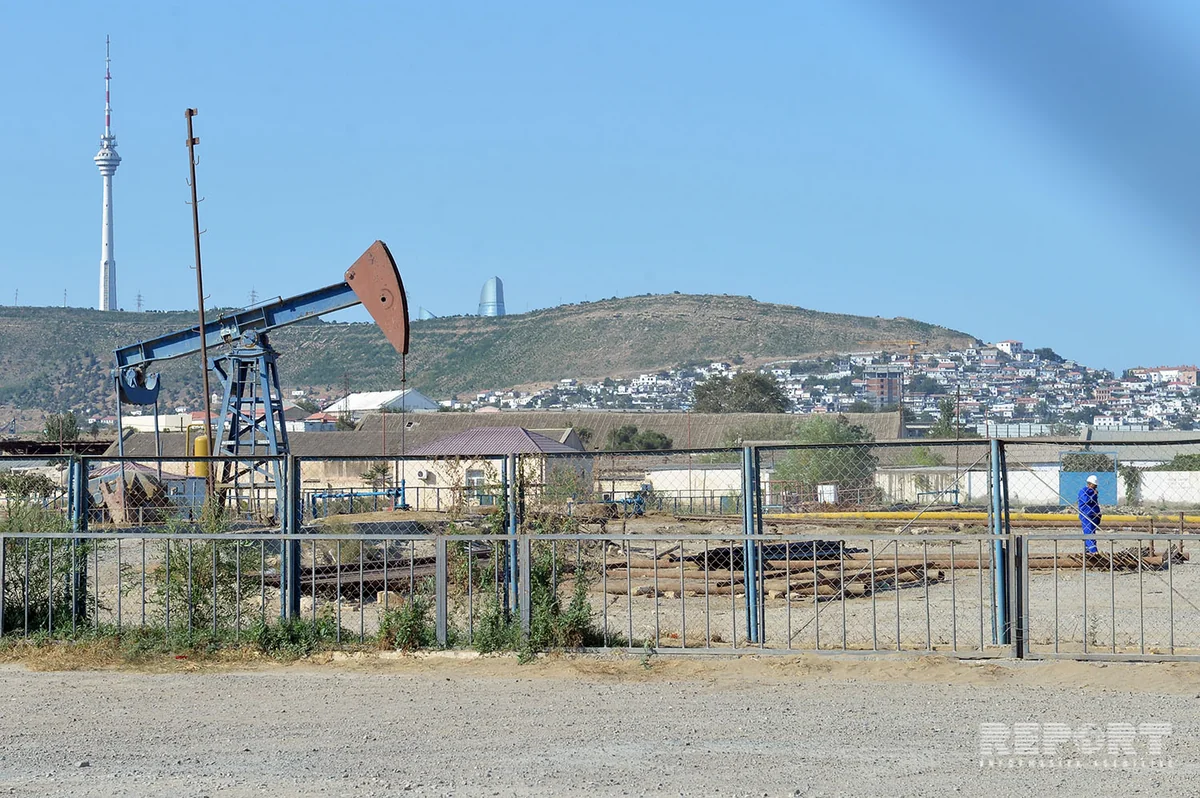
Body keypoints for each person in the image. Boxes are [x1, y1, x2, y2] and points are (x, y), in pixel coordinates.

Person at [1077, 474, 1101, 554]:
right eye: (1094, 486)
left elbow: (1095, 504)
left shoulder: (1093, 492)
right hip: (1086, 514)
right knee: (1089, 533)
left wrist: (1098, 514)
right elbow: (1086, 500)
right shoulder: (1084, 491)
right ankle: (1092, 551)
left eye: (1095, 486)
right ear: (1089, 484)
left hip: (1093, 515)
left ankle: (1090, 551)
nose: (1094, 488)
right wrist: (1094, 495)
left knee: (1090, 533)